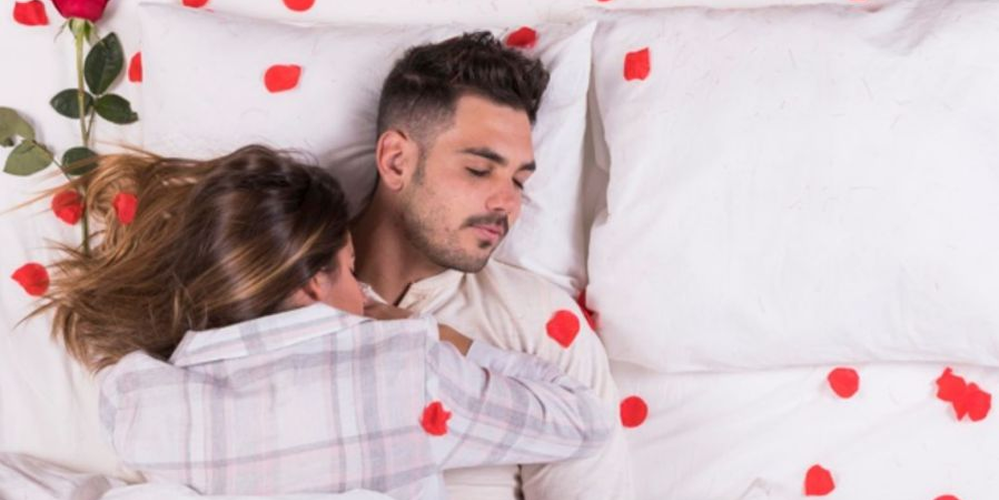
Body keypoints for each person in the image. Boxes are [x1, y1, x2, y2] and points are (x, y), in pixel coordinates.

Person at [32, 145, 613, 499]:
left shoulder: (137, 397)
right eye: (352, 271)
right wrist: (434, 333)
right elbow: (582, 421)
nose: (363, 293)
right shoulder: (412, 373)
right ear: (313, 283)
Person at [351, 32, 634, 500]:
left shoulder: (541, 324)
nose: (507, 203)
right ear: (396, 161)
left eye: (519, 181)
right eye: (480, 170)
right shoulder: (279, 284)